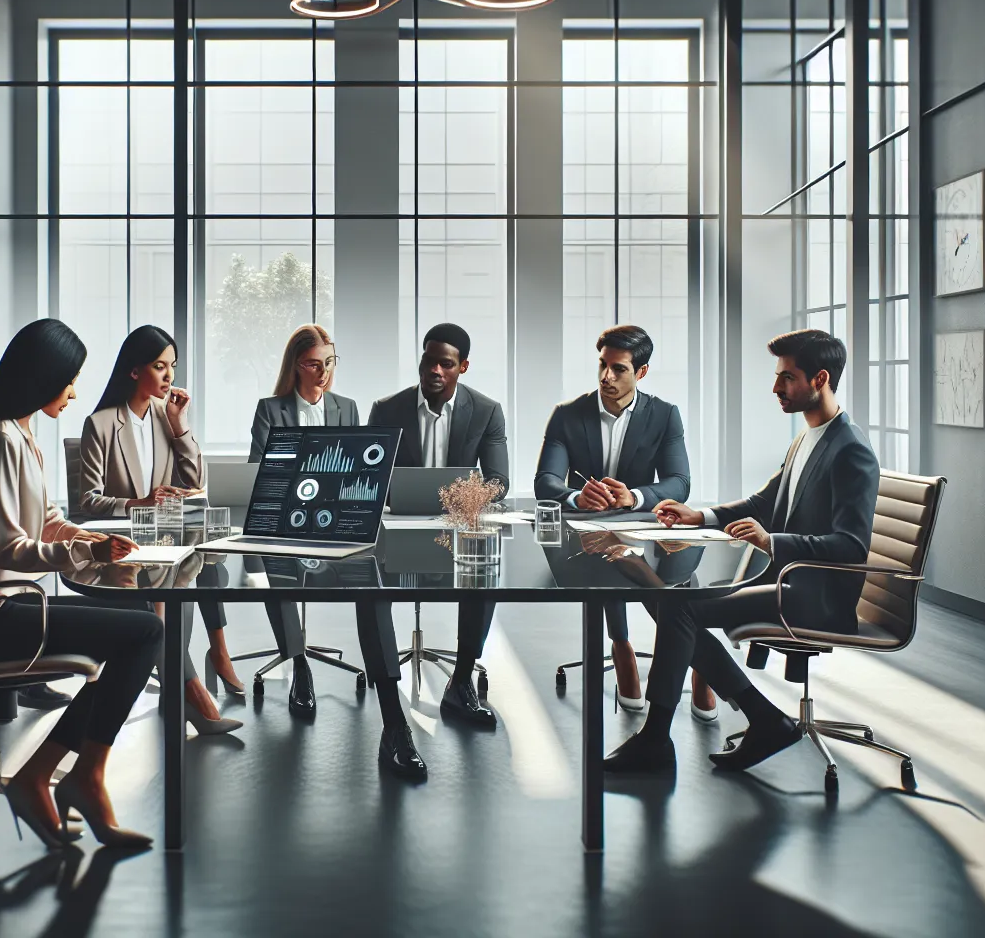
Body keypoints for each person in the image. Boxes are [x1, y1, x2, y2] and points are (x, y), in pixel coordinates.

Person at [0, 318, 166, 848]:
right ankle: (72, 776)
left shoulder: (21, 432)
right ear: (43, 377)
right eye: (70, 379)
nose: (76, 392)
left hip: (4, 608)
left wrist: (88, 537)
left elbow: (47, 519)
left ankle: (52, 773)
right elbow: (9, 549)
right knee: (145, 633)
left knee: (138, 625)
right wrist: (86, 550)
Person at [602, 328, 880, 776]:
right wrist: (702, 516)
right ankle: (761, 719)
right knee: (666, 598)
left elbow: (850, 547)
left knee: (679, 607)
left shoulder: (851, 450)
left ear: (820, 378)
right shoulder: (810, 437)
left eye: (787, 378)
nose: (776, 388)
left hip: (817, 596)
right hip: (788, 581)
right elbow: (764, 503)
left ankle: (658, 737)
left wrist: (771, 542)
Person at [532, 324, 716, 720]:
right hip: (590, 534)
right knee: (617, 557)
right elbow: (545, 481)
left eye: (619, 369)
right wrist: (574, 496)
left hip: (642, 523)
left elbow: (678, 482)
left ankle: (693, 655)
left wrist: (634, 496)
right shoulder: (567, 416)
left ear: (641, 373)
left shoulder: (664, 415)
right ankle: (628, 646)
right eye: (602, 366)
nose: (606, 377)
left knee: (680, 562)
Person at [76, 324, 247, 721]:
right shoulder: (100, 424)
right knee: (187, 581)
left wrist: (180, 425)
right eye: (159, 366)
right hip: (125, 542)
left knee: (205, 565)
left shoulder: (165, 415)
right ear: (134, 371)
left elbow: (195, 482)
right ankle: (192, 692)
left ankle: (185, 685)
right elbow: (87, 500)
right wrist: (139, 502)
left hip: (168, 533)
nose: (170, 376)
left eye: (172, 366)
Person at [365, 323, 508, 728]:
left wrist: (460, 501)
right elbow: (371, 475)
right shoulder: (387, 409)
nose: (435, 371)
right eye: (429, 361)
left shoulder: (485, 411)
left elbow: (499, 481)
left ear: (462, 366)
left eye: (446, 363)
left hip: (455, 530)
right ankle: (389, 698)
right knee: (368, 585)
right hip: (397, 528)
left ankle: (461, 680)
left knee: (484, 575)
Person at [247, 324, 361, 719]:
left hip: (335, 518)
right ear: (296, 366)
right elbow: (258, 470)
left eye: (329, 363)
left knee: (368, 569)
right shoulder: (271, 409)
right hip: (284, 517)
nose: (323, 373)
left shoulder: (346, 408)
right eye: (314, 365)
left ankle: (382, 674)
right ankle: (298, 663)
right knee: (276, 567)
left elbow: (358, 469)